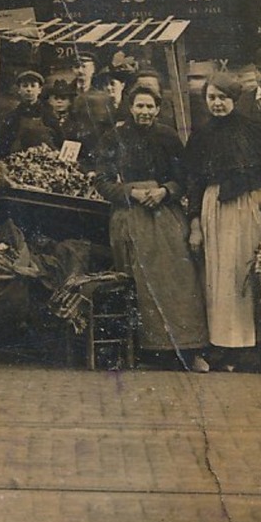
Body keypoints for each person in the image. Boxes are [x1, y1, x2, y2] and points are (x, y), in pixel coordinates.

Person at [92, 87, 210, 371]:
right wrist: (129, 192)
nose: (144, 111)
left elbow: (184, 177)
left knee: (181, 276)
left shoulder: (168, 136)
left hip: (165, 214)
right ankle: (150, 350)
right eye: (139, 106)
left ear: (158, 109)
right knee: (140, 281)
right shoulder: (114, 137)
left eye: (150, 107)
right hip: (130, 215)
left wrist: (165, 191)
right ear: (130, 108)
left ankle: (188, 348)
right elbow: (102, 181)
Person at [184, 71, 261, 374]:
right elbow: (193, 182)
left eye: (223, 98)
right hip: (215, 209)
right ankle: (226, 349)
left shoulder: (255, 130)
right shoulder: (201, 136)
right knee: (223, 279)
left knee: (255, 273)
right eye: (211, 98)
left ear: (235, 99)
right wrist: (195, 225)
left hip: (250, 208)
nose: (217, 103)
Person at [0, 69, 57, 158]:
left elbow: (59, 139)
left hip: (46, 161)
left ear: (39, 90)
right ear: (19, 90)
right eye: (25, 86)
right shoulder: (13, 116)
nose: (29, 89)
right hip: (19, 162)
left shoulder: (48, 114)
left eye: (33, 86)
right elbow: (2, 144)